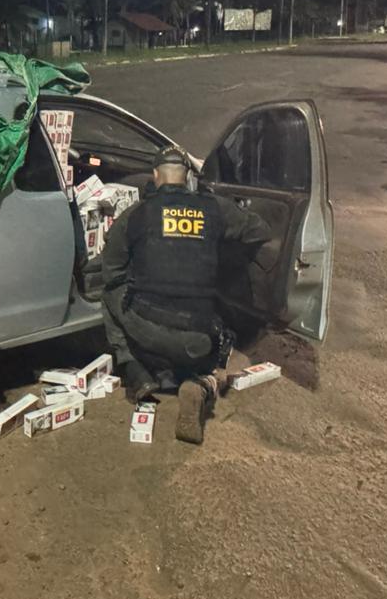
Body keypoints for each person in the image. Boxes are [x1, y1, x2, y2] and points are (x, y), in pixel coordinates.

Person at [99, 145, 270, 445]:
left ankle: (135, 370)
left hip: (146, 330)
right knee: (213, 359)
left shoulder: (135, 215)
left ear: (155, 176)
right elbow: (260, 230)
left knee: (109, 294)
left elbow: (110, 271)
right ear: (188, 178)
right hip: (196, 337)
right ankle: (199, 385)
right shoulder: (214, 209)